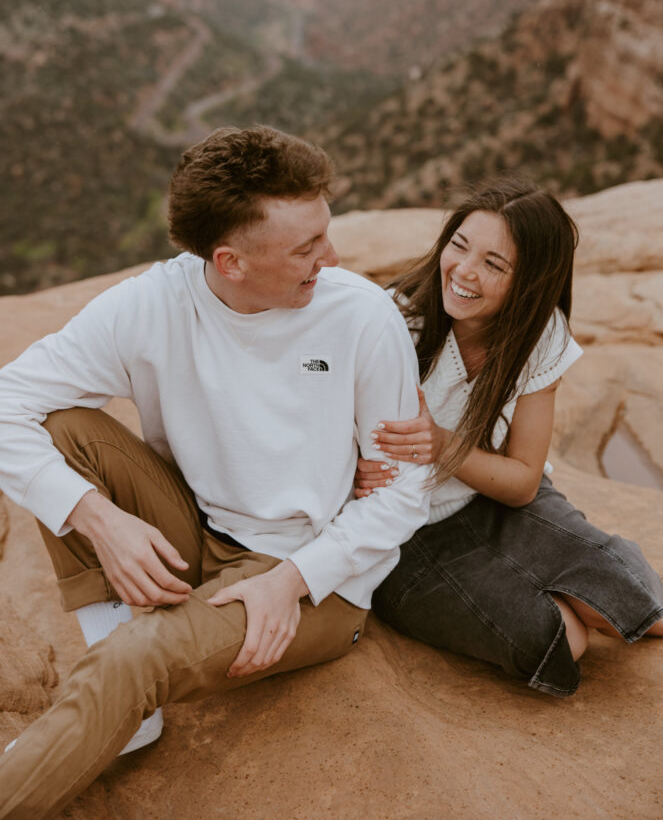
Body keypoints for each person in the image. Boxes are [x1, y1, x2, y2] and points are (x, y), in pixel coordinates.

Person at [0, 125, 432, 819]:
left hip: (312, 580)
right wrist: (98, 518)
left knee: (131, 663)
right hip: (195, 530)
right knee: (61, 429)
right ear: (229, 261)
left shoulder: (360, 317)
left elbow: (405, 490)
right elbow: (6, 403)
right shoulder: (151, 304)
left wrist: (289, 583)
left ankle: (125, 680)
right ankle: (129, 704)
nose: (334, 255)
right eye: (305, 247)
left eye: (325, 232)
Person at [354, 180, 663, 697]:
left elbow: (524, 482)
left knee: (626, 600)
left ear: (529, 281)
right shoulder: (395, 325)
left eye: (493, 264)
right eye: (458, 246)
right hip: (406, 533)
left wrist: (442, 445)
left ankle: (645, 602)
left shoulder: (539, 332)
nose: (463, 272)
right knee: (558, 637)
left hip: (495, 500)